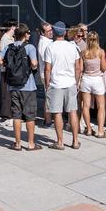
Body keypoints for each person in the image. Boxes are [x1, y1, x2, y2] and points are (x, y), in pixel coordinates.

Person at [0, 24, 40, 150]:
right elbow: (34, 64)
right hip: (28, 86)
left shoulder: (8, 47)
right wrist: (32, 67)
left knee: (16, 115)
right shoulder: (30, 47)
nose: (29, 35)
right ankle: (31, 144)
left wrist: (8, 66)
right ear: (25, 34)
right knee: (30, 115)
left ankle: (17, 144)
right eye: (28, 33)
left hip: (13, 86)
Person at [43, 21, 82, 150]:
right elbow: (77, 68)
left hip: (56, 83)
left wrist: (47, 84)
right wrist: (77, 82)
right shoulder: (73, 47)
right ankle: (75, 141)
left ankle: (60, 142)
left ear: (54, 32)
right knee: (73, 112)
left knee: (57, 113)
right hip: (70, 82)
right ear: (65, 32)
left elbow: (47, 69)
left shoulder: (50, 47)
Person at [79, 31, 106, 138]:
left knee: (86, 106)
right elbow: (103, 68)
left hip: (86, 79)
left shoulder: (83, 52)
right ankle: (100, 131)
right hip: (97, 80)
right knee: (101, 106)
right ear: (97, 39)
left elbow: (81, 69)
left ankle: (88, 129)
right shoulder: (101, 52)